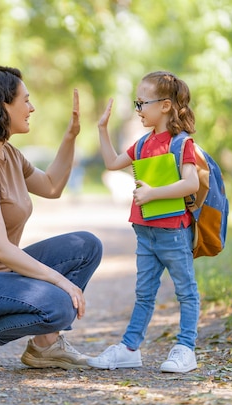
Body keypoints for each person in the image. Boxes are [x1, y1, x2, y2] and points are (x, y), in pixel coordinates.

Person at [0, 66, 103, 378]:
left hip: (0, 273)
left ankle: (45, 345)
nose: (31, 108)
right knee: (58, 304)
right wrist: (60, 281)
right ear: (3, 105)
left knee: (86, 246)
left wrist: (70, 137)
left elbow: (52, 186)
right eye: (25, 101)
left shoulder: (9, 154)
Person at [87, 71, 200, 373]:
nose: (138, 110)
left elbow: (190, 184)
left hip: (173, 232)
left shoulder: (180, 144)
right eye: (135, 104)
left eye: (141, 103)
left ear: (164, 105)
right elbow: (112, 163)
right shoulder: (141, 144)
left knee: (186, 291)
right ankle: (129, 348)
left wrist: (153, 193)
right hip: (145, 232)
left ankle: (185, 348)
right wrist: (102, 129)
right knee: (144, 294)